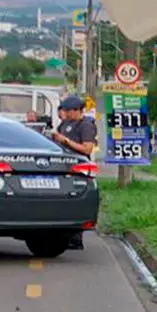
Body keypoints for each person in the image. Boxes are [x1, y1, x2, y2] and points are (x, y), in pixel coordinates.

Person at [51, 96, 97, 250]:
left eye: (69, 111)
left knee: (76, 198)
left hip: (78, 167)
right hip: (62, 166)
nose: (66, 114)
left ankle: (76, 238)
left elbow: (87, 149)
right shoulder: (64, 124)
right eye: (64, 111)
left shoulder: (86, 126)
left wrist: (66, 141)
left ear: (78, 110)